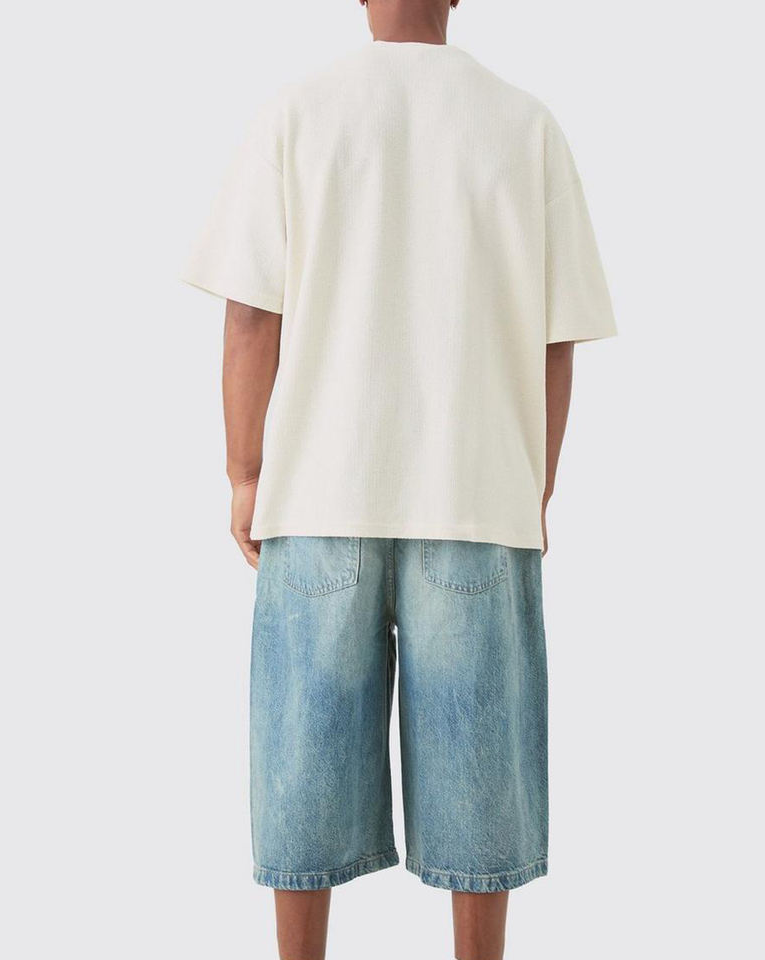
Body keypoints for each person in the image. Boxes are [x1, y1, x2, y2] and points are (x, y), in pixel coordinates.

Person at [183, 1, 616, 957]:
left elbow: (250, 319)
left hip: (317, 493)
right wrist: (535, 486)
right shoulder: (525, 124)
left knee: (301, 774)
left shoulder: (296, 113)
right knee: (481, 785)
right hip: (477, 494)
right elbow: (558, 338)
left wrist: (244, 472)